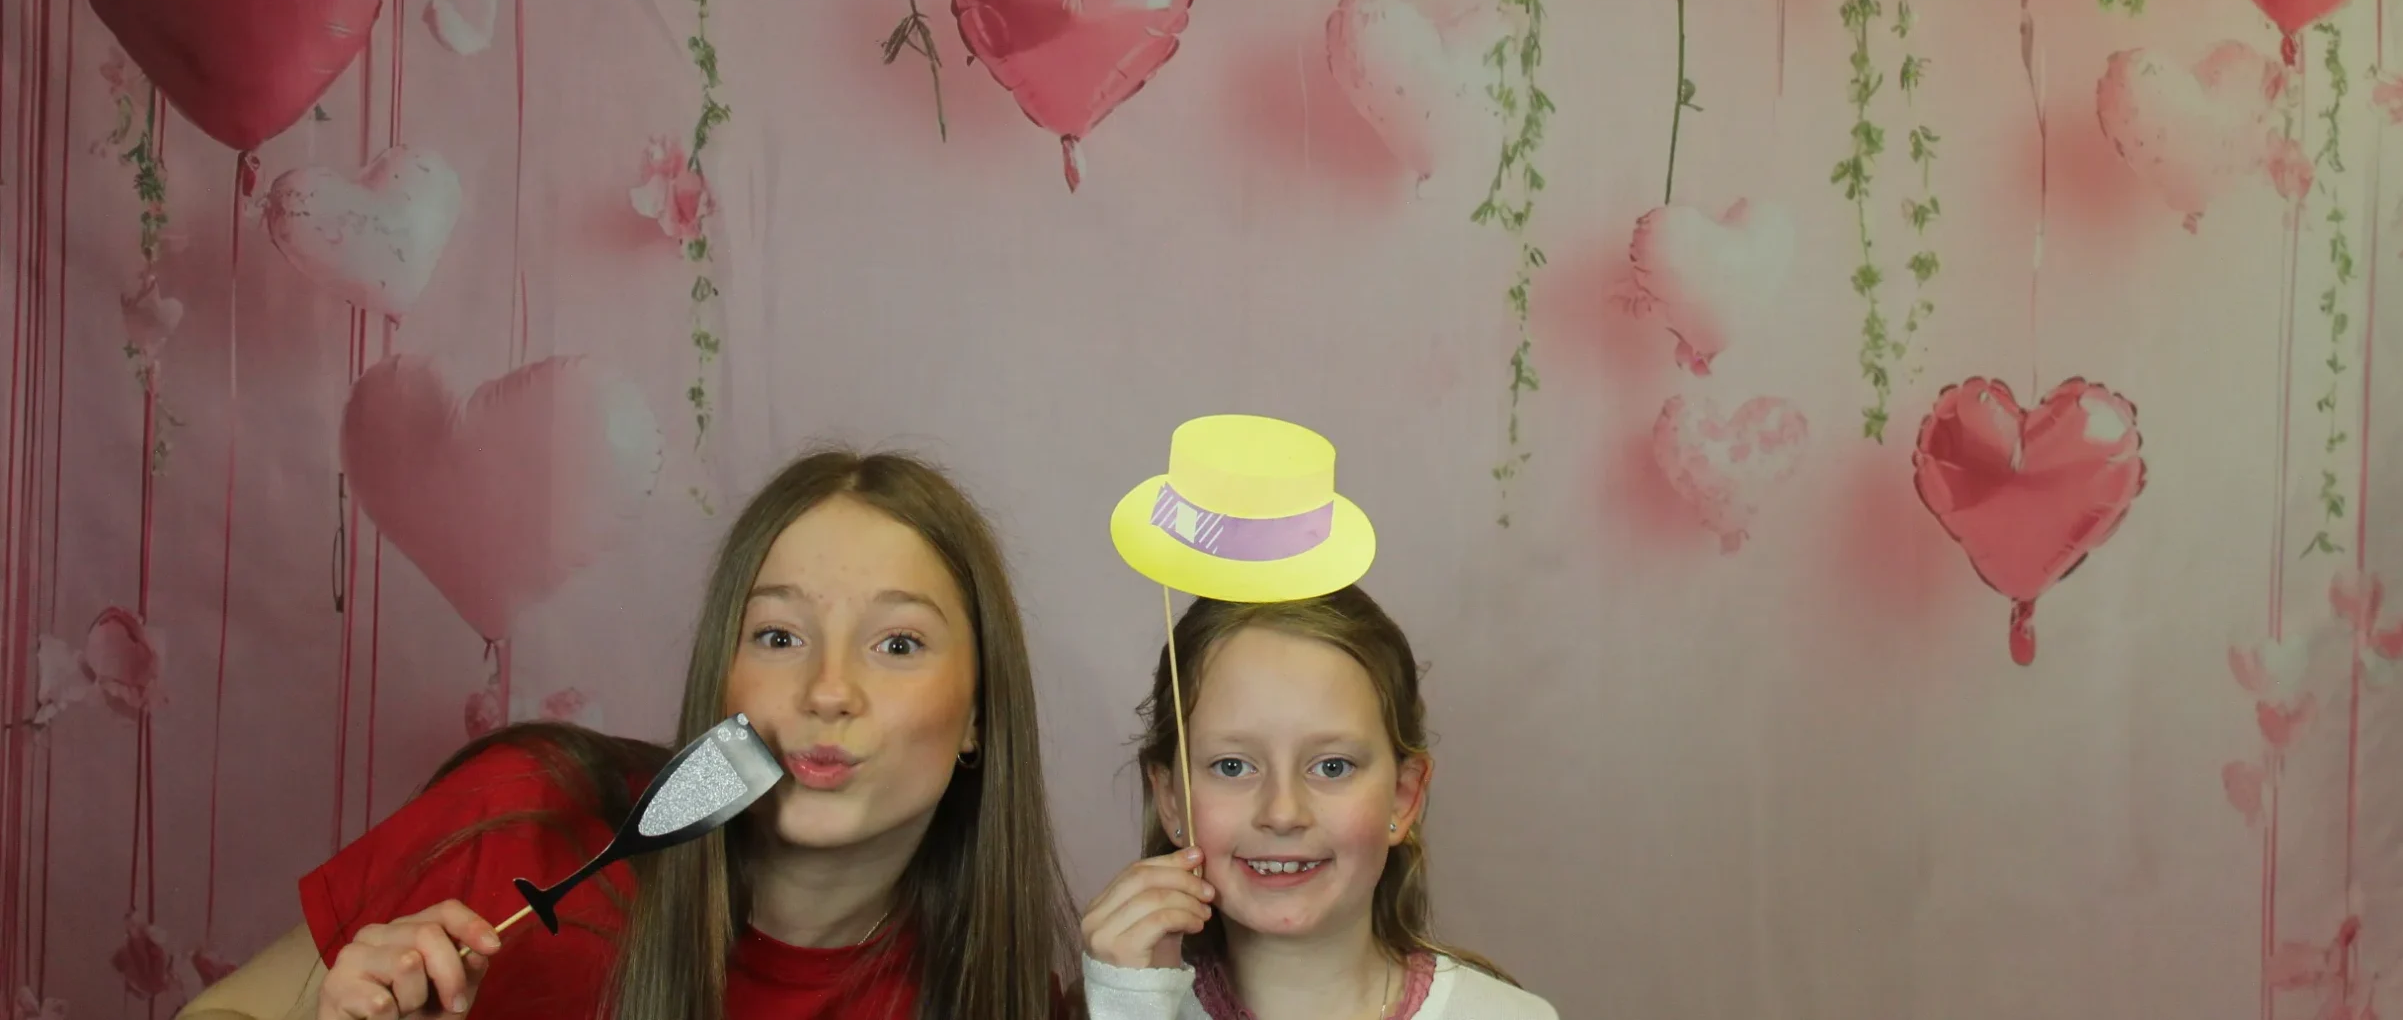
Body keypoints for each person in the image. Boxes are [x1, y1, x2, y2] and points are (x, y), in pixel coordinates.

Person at [180, 446, 1075, 1020]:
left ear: (979, 715)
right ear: (721, 677)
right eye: (778, 636)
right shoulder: (525, 819)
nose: (828, 690)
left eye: (898, 644)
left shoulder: (993, 994)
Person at [1077, 588, 1556, 1020]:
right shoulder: (1123, 1008)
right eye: (1233, 766)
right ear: (1170, 800)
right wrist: (1129, 1009)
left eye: (1332, 766)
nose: (1283, 813)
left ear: (1403, 797)